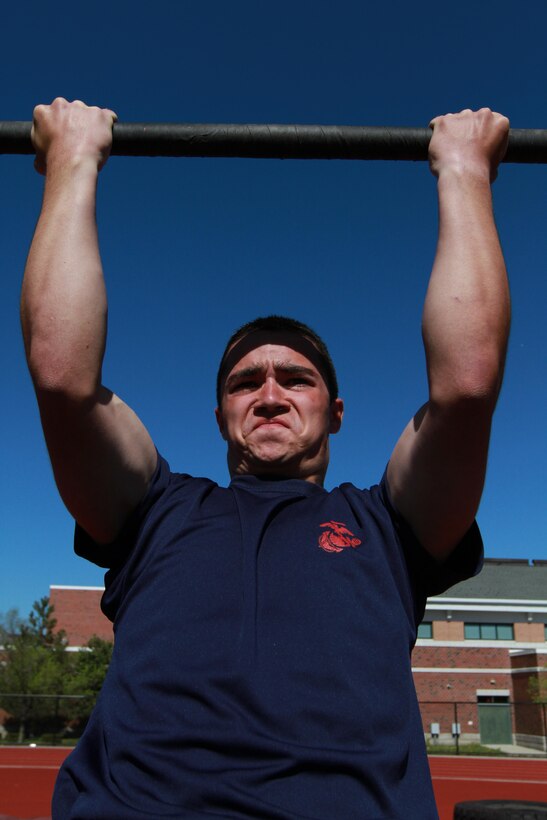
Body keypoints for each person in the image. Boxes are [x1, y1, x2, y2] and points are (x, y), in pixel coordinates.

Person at [22, 98, 510, 819]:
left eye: (297, 379)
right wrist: (72, 160)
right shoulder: (157, 511)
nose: (270, 394)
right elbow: (63, 379)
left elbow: (466, 386)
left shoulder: (387, 525)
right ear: (220, 413)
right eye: (245, 383)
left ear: (335, 412)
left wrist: (462, 171)